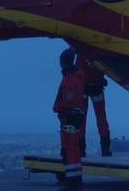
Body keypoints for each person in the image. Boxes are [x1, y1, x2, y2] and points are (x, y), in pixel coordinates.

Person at [52, 48, 85, 189]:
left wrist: (57, 107)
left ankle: (72, 183)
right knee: (75, 151)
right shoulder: (77, 78)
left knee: (69, 151)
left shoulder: (69, 81)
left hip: (68, 119)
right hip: (74, 119)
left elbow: (68, 101)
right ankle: (76, 180)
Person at [77, 54, 112, 157]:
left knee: (81, 119)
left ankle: (81, 150)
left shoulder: (80, 52)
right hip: (96, 86)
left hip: (83, 87)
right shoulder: (95, 53)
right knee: (101, 118)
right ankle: (105, 149)